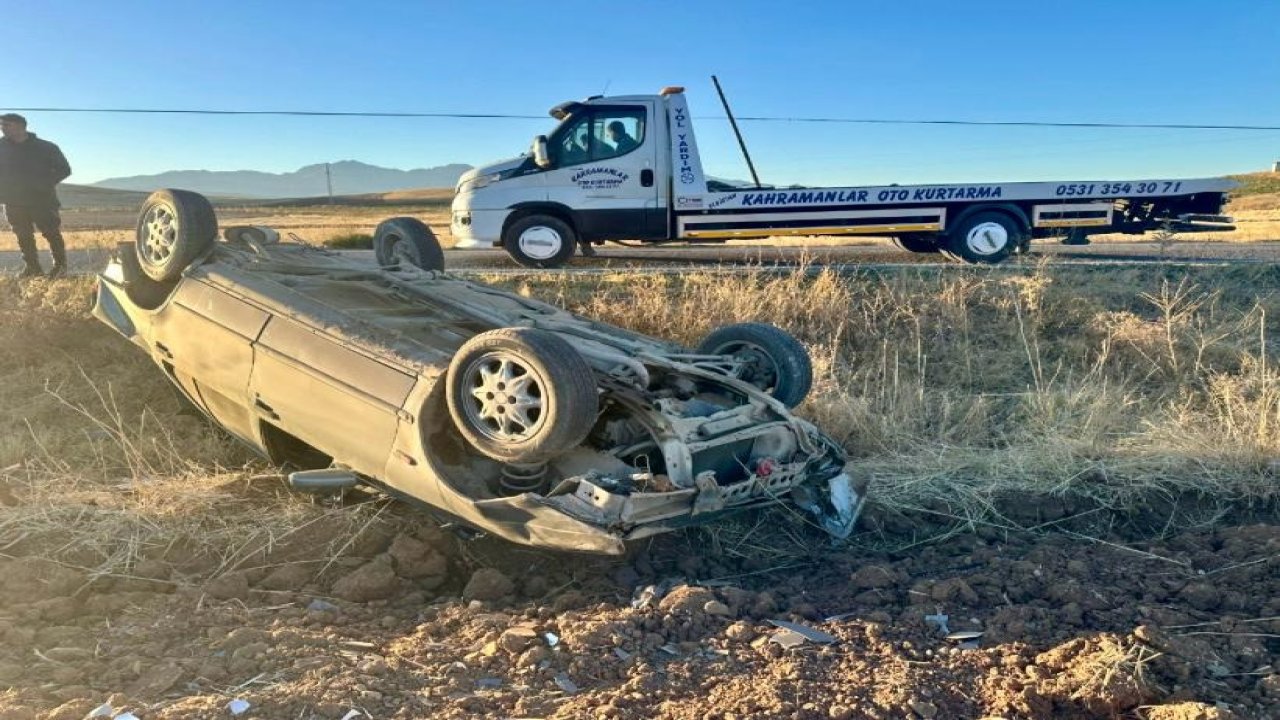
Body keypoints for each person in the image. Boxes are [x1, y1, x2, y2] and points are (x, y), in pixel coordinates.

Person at [0, 113, 71, 278]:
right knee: (22, 235)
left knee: (51, 233)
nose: (2, 129)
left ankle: (60, 268)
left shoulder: (46, 147)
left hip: (42, 200)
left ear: (20, 126)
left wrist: (43, 184)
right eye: (1, 126)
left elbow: (64, 169)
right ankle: (33, 268)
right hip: (13, 201)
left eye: (6, 125)